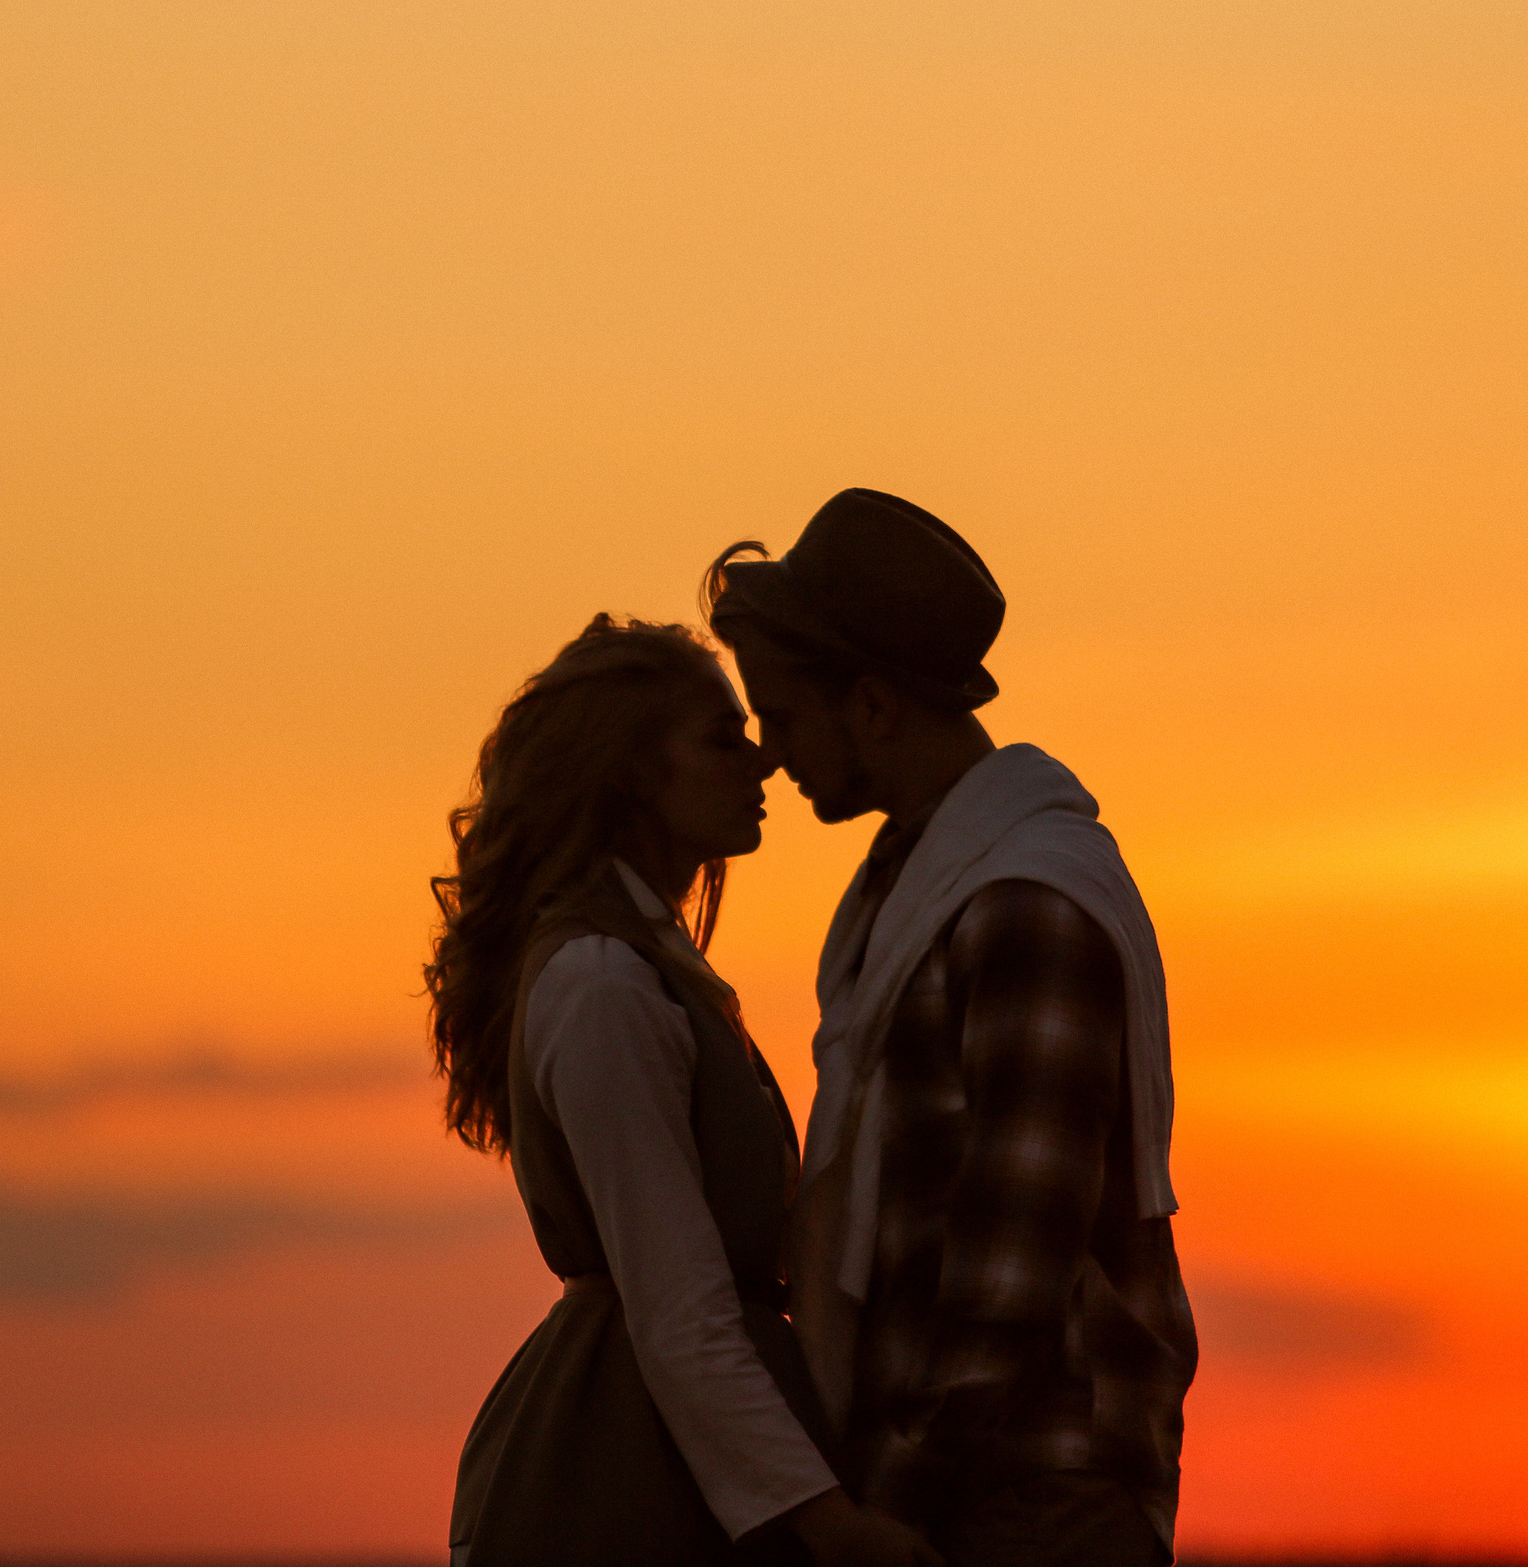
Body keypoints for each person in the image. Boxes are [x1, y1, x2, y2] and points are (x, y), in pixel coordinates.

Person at [702, 492, 1198, 1567]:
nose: (769, 755)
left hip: (1030, 1492)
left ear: (873, 706)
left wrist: (891, 1494)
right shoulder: (919, 892)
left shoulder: (1022, 904)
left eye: (782, 716)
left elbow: (1012, 1258)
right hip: (981, 1487)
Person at [429, 615, 942, 1567]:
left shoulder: (646, 964)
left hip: (680, 1451)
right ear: (629, 773)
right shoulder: (600, 980)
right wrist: (836, 1528)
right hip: (624, 1471)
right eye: (721, 738)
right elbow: (678, 1309)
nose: (761, 761)